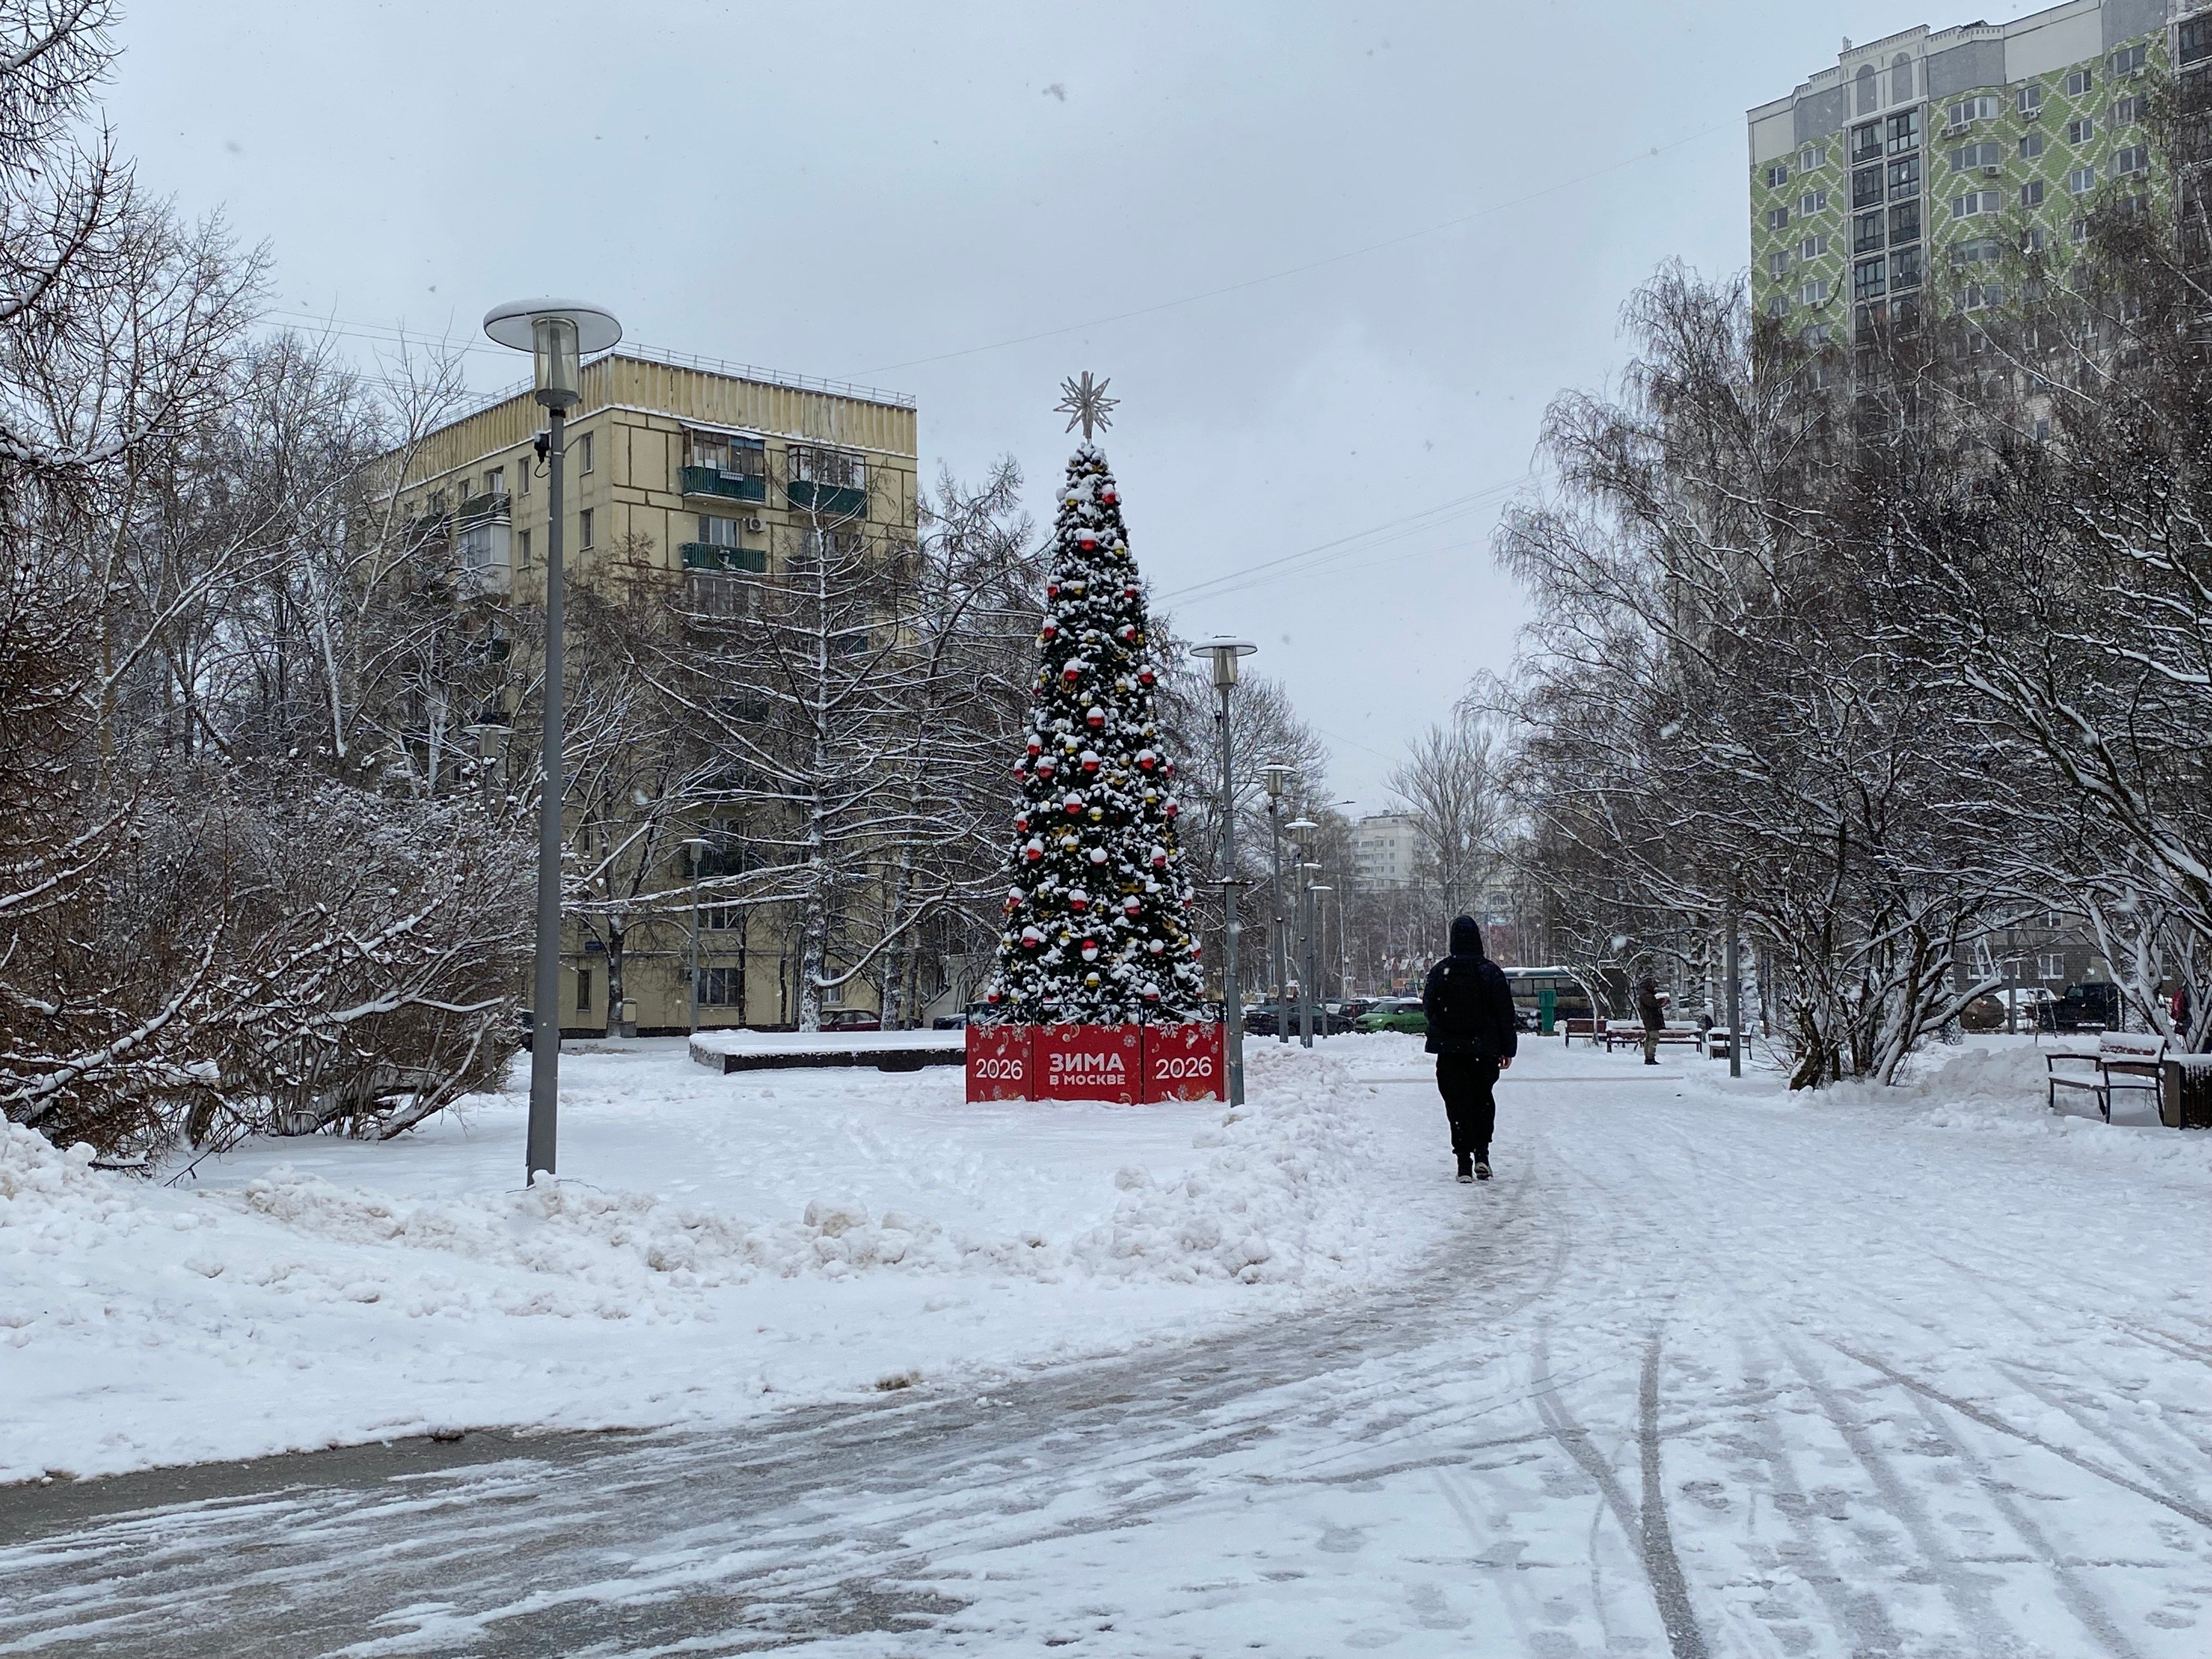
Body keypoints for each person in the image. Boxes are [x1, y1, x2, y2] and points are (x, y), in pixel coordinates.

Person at [1422, 915, 1517, 1183]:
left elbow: (1429, 1008)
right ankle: (1483, 1156)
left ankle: (1463, 1162)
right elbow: (1504, 1014)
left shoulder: (1441, 971)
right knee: (1482, 1100)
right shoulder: (1491, 972)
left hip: (1450, 1051)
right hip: (1484, 1050)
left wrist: (1443, 1031)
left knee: (1457, 1105)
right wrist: (1507, 1049)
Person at [1637, 974, 1666, 1065]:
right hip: (1651, 1020)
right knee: (1654, 1038)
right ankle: (1650, 1057)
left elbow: (1652, 1002)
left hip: (1650, 1020)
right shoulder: (1646, 994)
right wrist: (1661, 1003)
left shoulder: (1645, 994)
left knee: (1650, 1038)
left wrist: (1659, 1001)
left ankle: (1649, 1057)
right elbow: (1652, 1004)